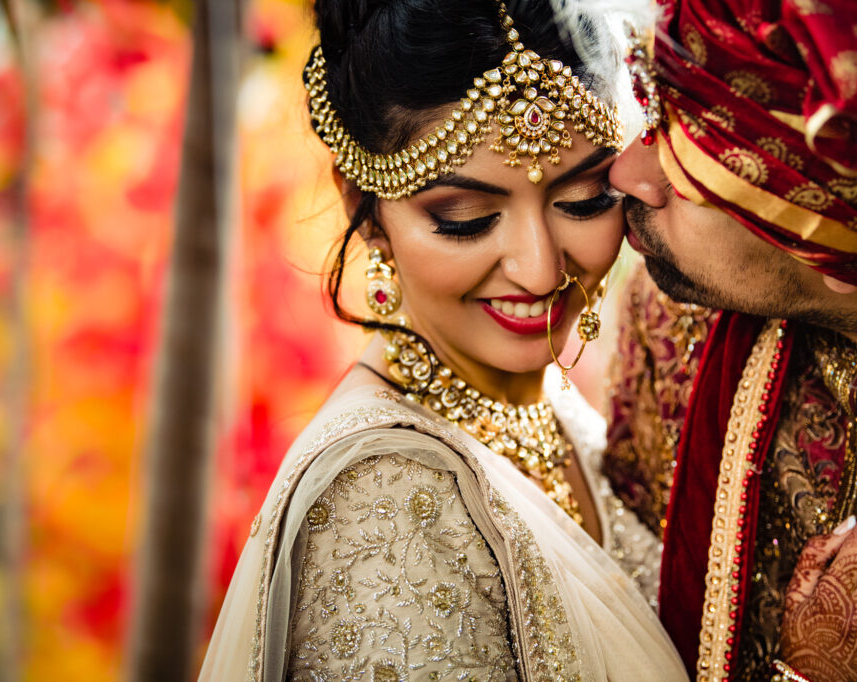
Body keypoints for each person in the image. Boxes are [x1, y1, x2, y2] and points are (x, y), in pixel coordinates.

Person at [199, 1, 686, 679]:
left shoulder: (545, 403)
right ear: (361, 211)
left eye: (582, 201)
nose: (540, 269)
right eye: (467, 218)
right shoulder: (386, 503)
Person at [597, 0, 857, 679]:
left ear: (848, 247)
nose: (625, 175)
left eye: (687, 172)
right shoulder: (668, 325)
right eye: (651, 115)